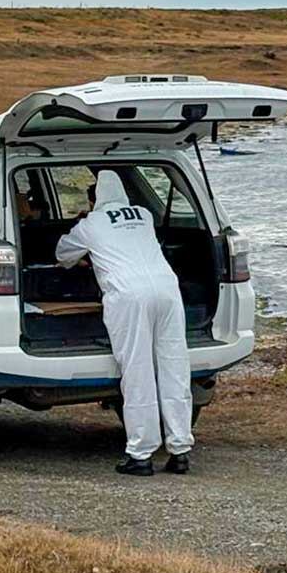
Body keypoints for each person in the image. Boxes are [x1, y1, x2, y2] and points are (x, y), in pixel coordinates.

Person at [55, 171, 193, 477]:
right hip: (167, 290)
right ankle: (180, 449)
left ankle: (140, 454)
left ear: (95, 200)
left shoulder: (91, 224)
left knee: (138, 371)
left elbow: (62, 254)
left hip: (129, 296)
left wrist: (83, 227)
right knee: (174, 367)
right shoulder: (143, 215)